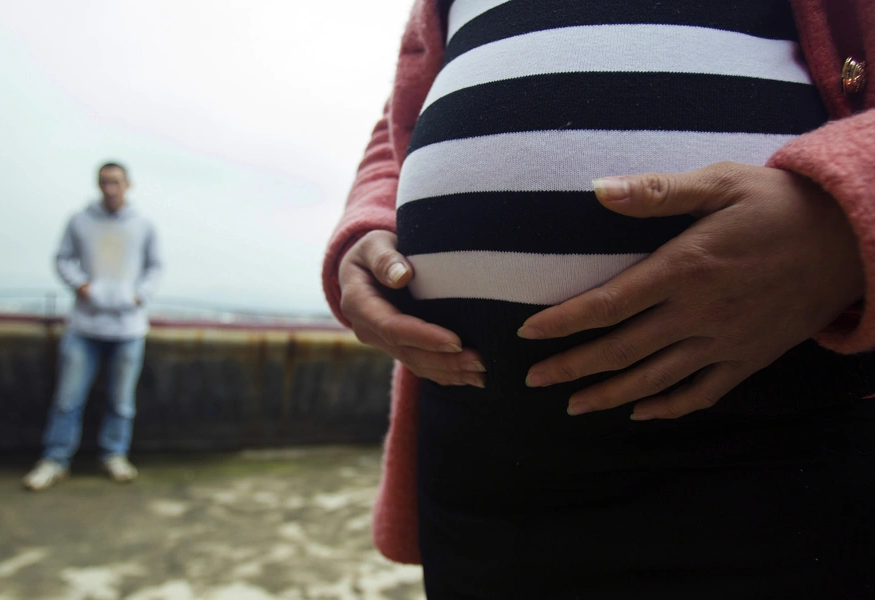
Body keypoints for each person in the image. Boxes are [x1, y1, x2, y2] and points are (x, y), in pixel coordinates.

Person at [323, 0, 875, 597]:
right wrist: (368, 222)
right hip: (478, 452)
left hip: (782, 439)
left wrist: (844, 222)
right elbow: (402, 119)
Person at [23, 162, 162, 491]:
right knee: (67, 399)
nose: (110, 188)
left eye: (115, 182)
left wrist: (139, 296)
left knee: (122, 401)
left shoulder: (143, 224)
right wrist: (81, 286)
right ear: (98, 185)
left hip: (128, 329)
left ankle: (114, 454)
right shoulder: (80, 220)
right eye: (104, 182)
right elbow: (63, 258)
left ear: (128, 184)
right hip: (84, 327)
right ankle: (55, 459)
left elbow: (156, 266)